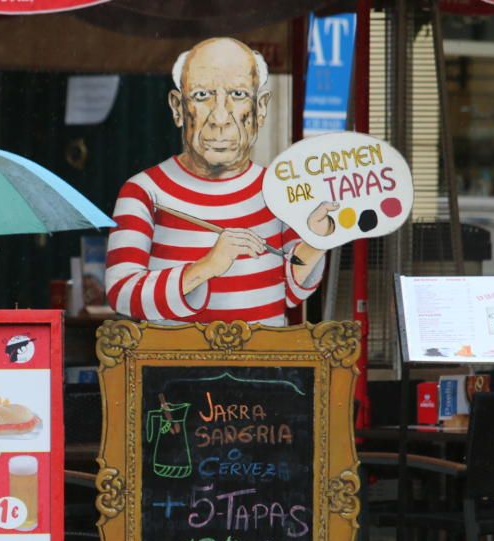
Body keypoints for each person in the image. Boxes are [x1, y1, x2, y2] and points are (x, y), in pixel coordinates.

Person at [105, 38, 335, 326]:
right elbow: (120, 293)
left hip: (263, 363)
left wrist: (318, 239)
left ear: (260, 107)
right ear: (178, 108)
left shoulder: (280, 189)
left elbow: (290, 291)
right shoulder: (143, 191)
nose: (220, 117)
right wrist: (207, 267)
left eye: (238, 94)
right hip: (171, 364)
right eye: (202, 95)